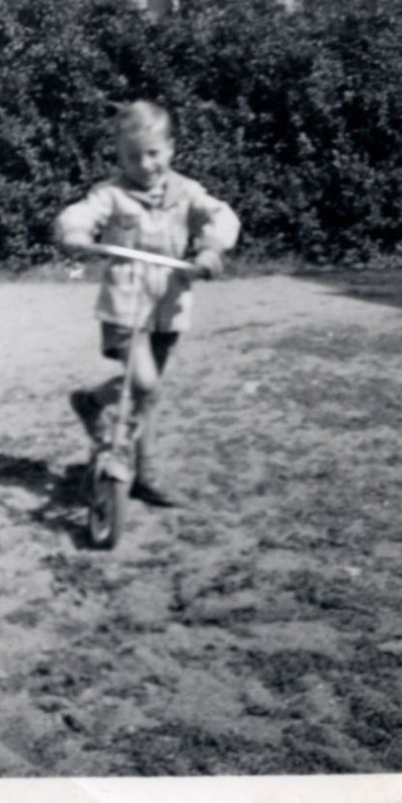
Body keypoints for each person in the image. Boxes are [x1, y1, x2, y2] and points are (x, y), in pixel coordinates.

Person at [55, 100, 240, 506]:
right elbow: (82, 213)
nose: (145, 164)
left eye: (153, 153)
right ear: (120, 156)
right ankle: (132, 456)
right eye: (133, 156)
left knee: (146, 393)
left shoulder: (186, 193)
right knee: (146, 385)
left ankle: (131, 454)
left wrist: (210, 251)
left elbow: (221, 216)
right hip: (124, 304)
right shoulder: (113, 194)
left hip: (168, 307)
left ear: (170, 149)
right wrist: (77, 234)